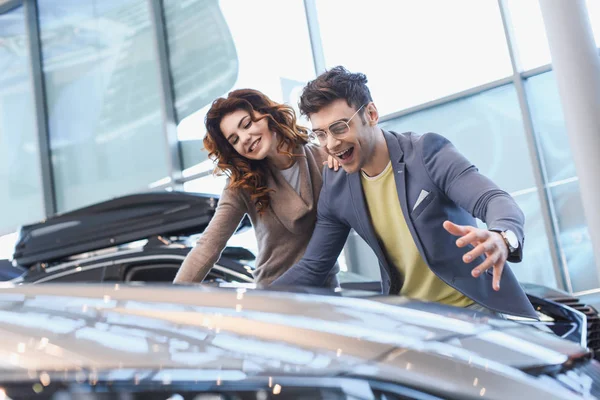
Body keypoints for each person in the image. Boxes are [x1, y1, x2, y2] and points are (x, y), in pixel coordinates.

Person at [272, 66, 537, 319]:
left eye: (340, 128)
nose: (331, 143)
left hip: (474, 313)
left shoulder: (426, 153)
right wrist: (245, 304)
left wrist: (503, 237)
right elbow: (313, 267)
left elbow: (493, 200)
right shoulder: (336, 185)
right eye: (321, 134)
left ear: (371, 114)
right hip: (412, 326)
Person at [174, 89, 340, 286]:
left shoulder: (323, 158)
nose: (244, 138)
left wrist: (339, 158)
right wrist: (172, 301)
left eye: (246, 124)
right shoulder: (241, 185)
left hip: (327, 290)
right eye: (234, 140)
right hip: (274, 296)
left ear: (267, 115)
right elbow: (208, 247)